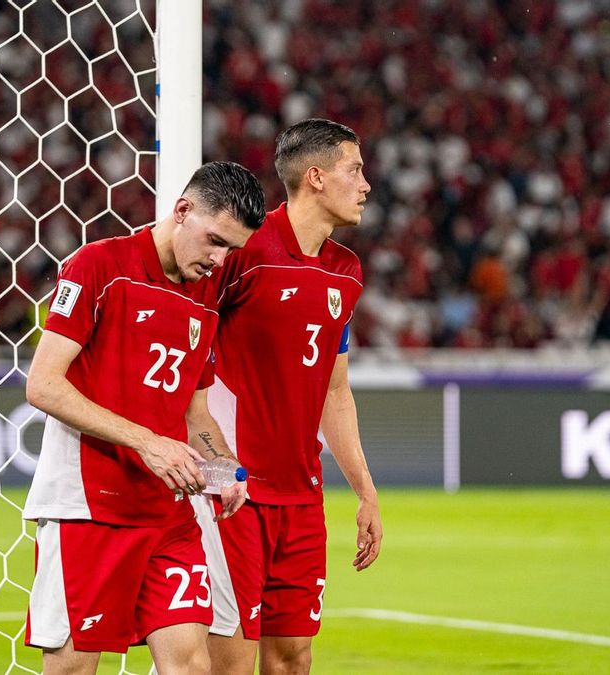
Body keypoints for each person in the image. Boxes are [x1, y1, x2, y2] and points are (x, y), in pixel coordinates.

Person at [22, 161, 265, 675]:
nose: (219, 260)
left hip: (166, 512)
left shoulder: (205, 297)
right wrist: (148, 443)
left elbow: (195, 412)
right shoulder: (98, 266)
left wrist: (226, 468)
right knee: (72, 666)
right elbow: (43, 385)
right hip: (90, 506)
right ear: (182, 211)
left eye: (232, 250)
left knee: (192, 665)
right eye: (214, 240)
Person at [194, 119, 383, 674]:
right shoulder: (246, 249)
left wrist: (365, 492)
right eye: (356, 169)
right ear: (317, 177)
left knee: (292, 659)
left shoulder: (346, 273)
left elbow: (335, 390)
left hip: (302, 498)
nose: (366, 184)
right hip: (234, 491)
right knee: (229, 661)